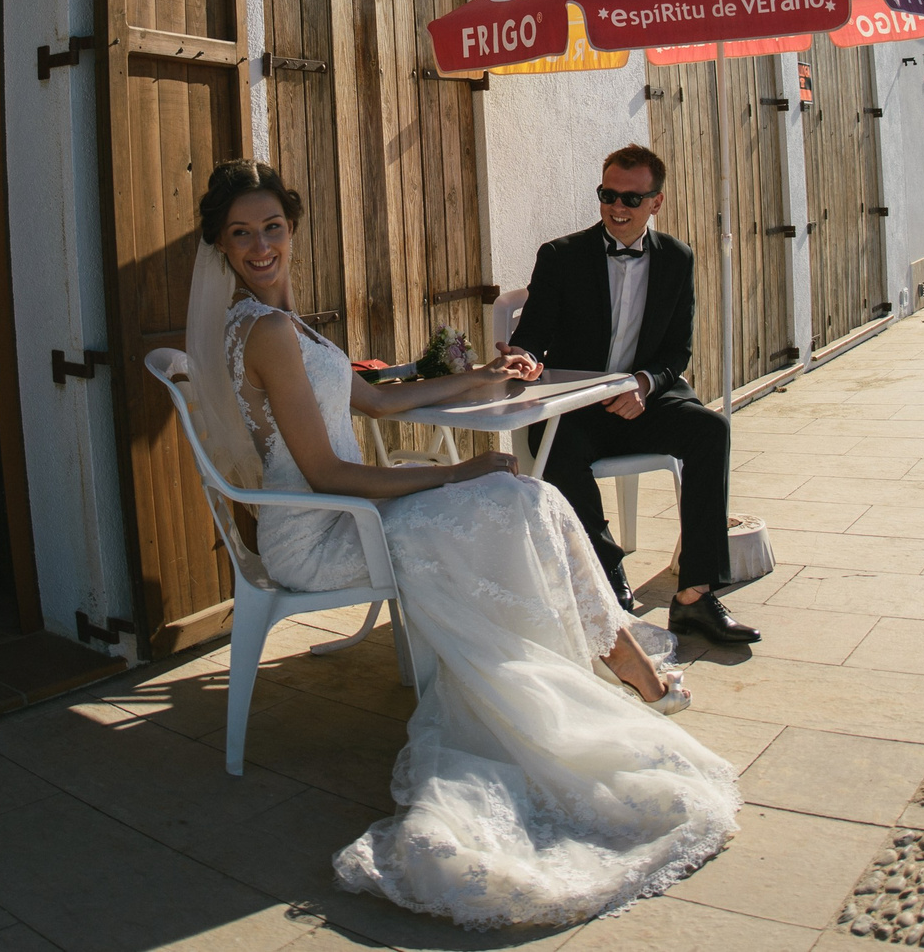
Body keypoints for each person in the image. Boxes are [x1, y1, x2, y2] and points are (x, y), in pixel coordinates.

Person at [185, 161, 739, 928]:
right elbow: (326, 471)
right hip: (323, 529)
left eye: (272, 227)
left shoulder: (285, 319)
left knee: (527, 500)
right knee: (514, 499)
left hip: (345, 511)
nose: (260, 244)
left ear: (292, 229)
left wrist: (475, 377)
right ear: (219, 243)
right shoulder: (269, 330)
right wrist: (461, 472)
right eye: (241, 233)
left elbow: (377, 399)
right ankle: (625, 665)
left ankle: (623, 664)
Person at [506, 145, 760, 647]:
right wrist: (523, 357)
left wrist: (643, 386)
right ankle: (607, 571)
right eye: (607, 195)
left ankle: (695, 595)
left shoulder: (678, 259)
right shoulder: (560, 256)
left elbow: (676, 352)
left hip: (641, 397)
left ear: (656, 203)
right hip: (576, 405)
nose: (617, 208)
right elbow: (533, 335)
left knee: (711, 430)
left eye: (630, 198)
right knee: (558, 446)